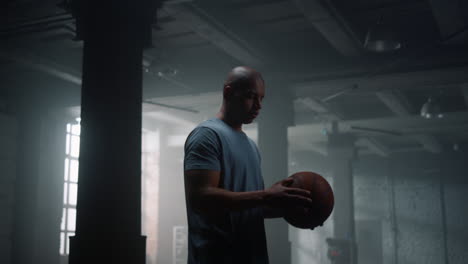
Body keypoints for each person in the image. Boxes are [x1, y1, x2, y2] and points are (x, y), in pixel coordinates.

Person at [183, 66, 313, 264]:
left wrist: (293, 209)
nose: (258, 105)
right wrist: (266, 195)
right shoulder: (207, 135)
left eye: (261, 98)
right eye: (251, 96)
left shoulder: (251, 146)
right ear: (228, 92)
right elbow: (200, 197)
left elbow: (249, 208)